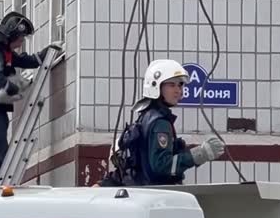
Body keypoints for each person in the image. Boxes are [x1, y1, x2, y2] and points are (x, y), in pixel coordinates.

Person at [94, 59, 225, 187]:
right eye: (172, 85)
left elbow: (134, 165)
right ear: (156, 86)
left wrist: (103, 185)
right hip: (157, 197)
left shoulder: (144, 118)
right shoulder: (160, 122)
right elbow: (161, 166)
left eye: (180, 85)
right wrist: (199, 154)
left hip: (141, 194)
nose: (178, 90)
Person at [0, 11, 58, 186]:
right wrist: (18, 84)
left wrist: (48, 52)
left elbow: (25, 61)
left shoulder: (4, 53)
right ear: (10, 36)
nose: (21, 43)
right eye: (20, 38)